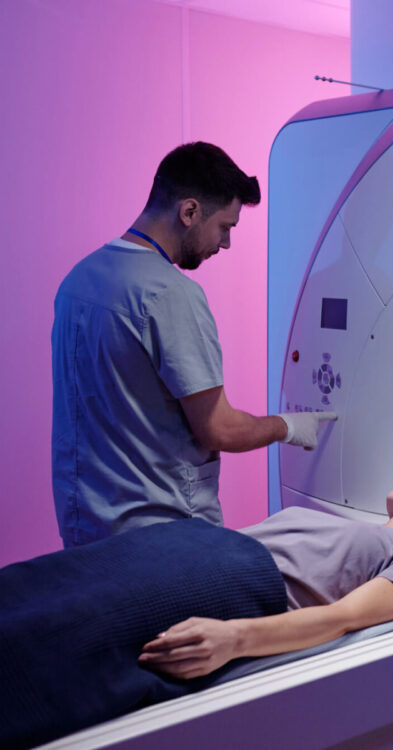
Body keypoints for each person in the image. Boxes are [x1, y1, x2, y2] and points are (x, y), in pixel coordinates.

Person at [0, 469, 393, 748]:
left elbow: (346, 618)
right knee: (38, 585)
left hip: (233, 579)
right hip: (190, 544)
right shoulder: (351, 526)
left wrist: (235, 638)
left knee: (60, 630)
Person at [51, 141, 332, 548]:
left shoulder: (78, 280)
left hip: (87, 525)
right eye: (225, 227)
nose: (226, 243)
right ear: (189, 212)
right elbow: (220, 429)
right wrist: (290, 426)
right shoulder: (170, 294)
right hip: (161, 534)